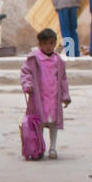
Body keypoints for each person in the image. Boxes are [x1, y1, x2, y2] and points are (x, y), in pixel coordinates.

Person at [20, 26, 71, 159]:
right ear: (40, 44)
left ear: (55, 44)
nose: (48, 46)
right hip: (39, 97)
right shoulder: (33, 59)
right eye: (45, 44)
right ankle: (39, 146)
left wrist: (65, 95)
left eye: (51, 43)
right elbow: (26, 73)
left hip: (54, 97)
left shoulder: (58, 61)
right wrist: (28, 85)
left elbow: (63, 79)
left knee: (53, 123)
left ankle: (52, 148)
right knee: (39, 123)